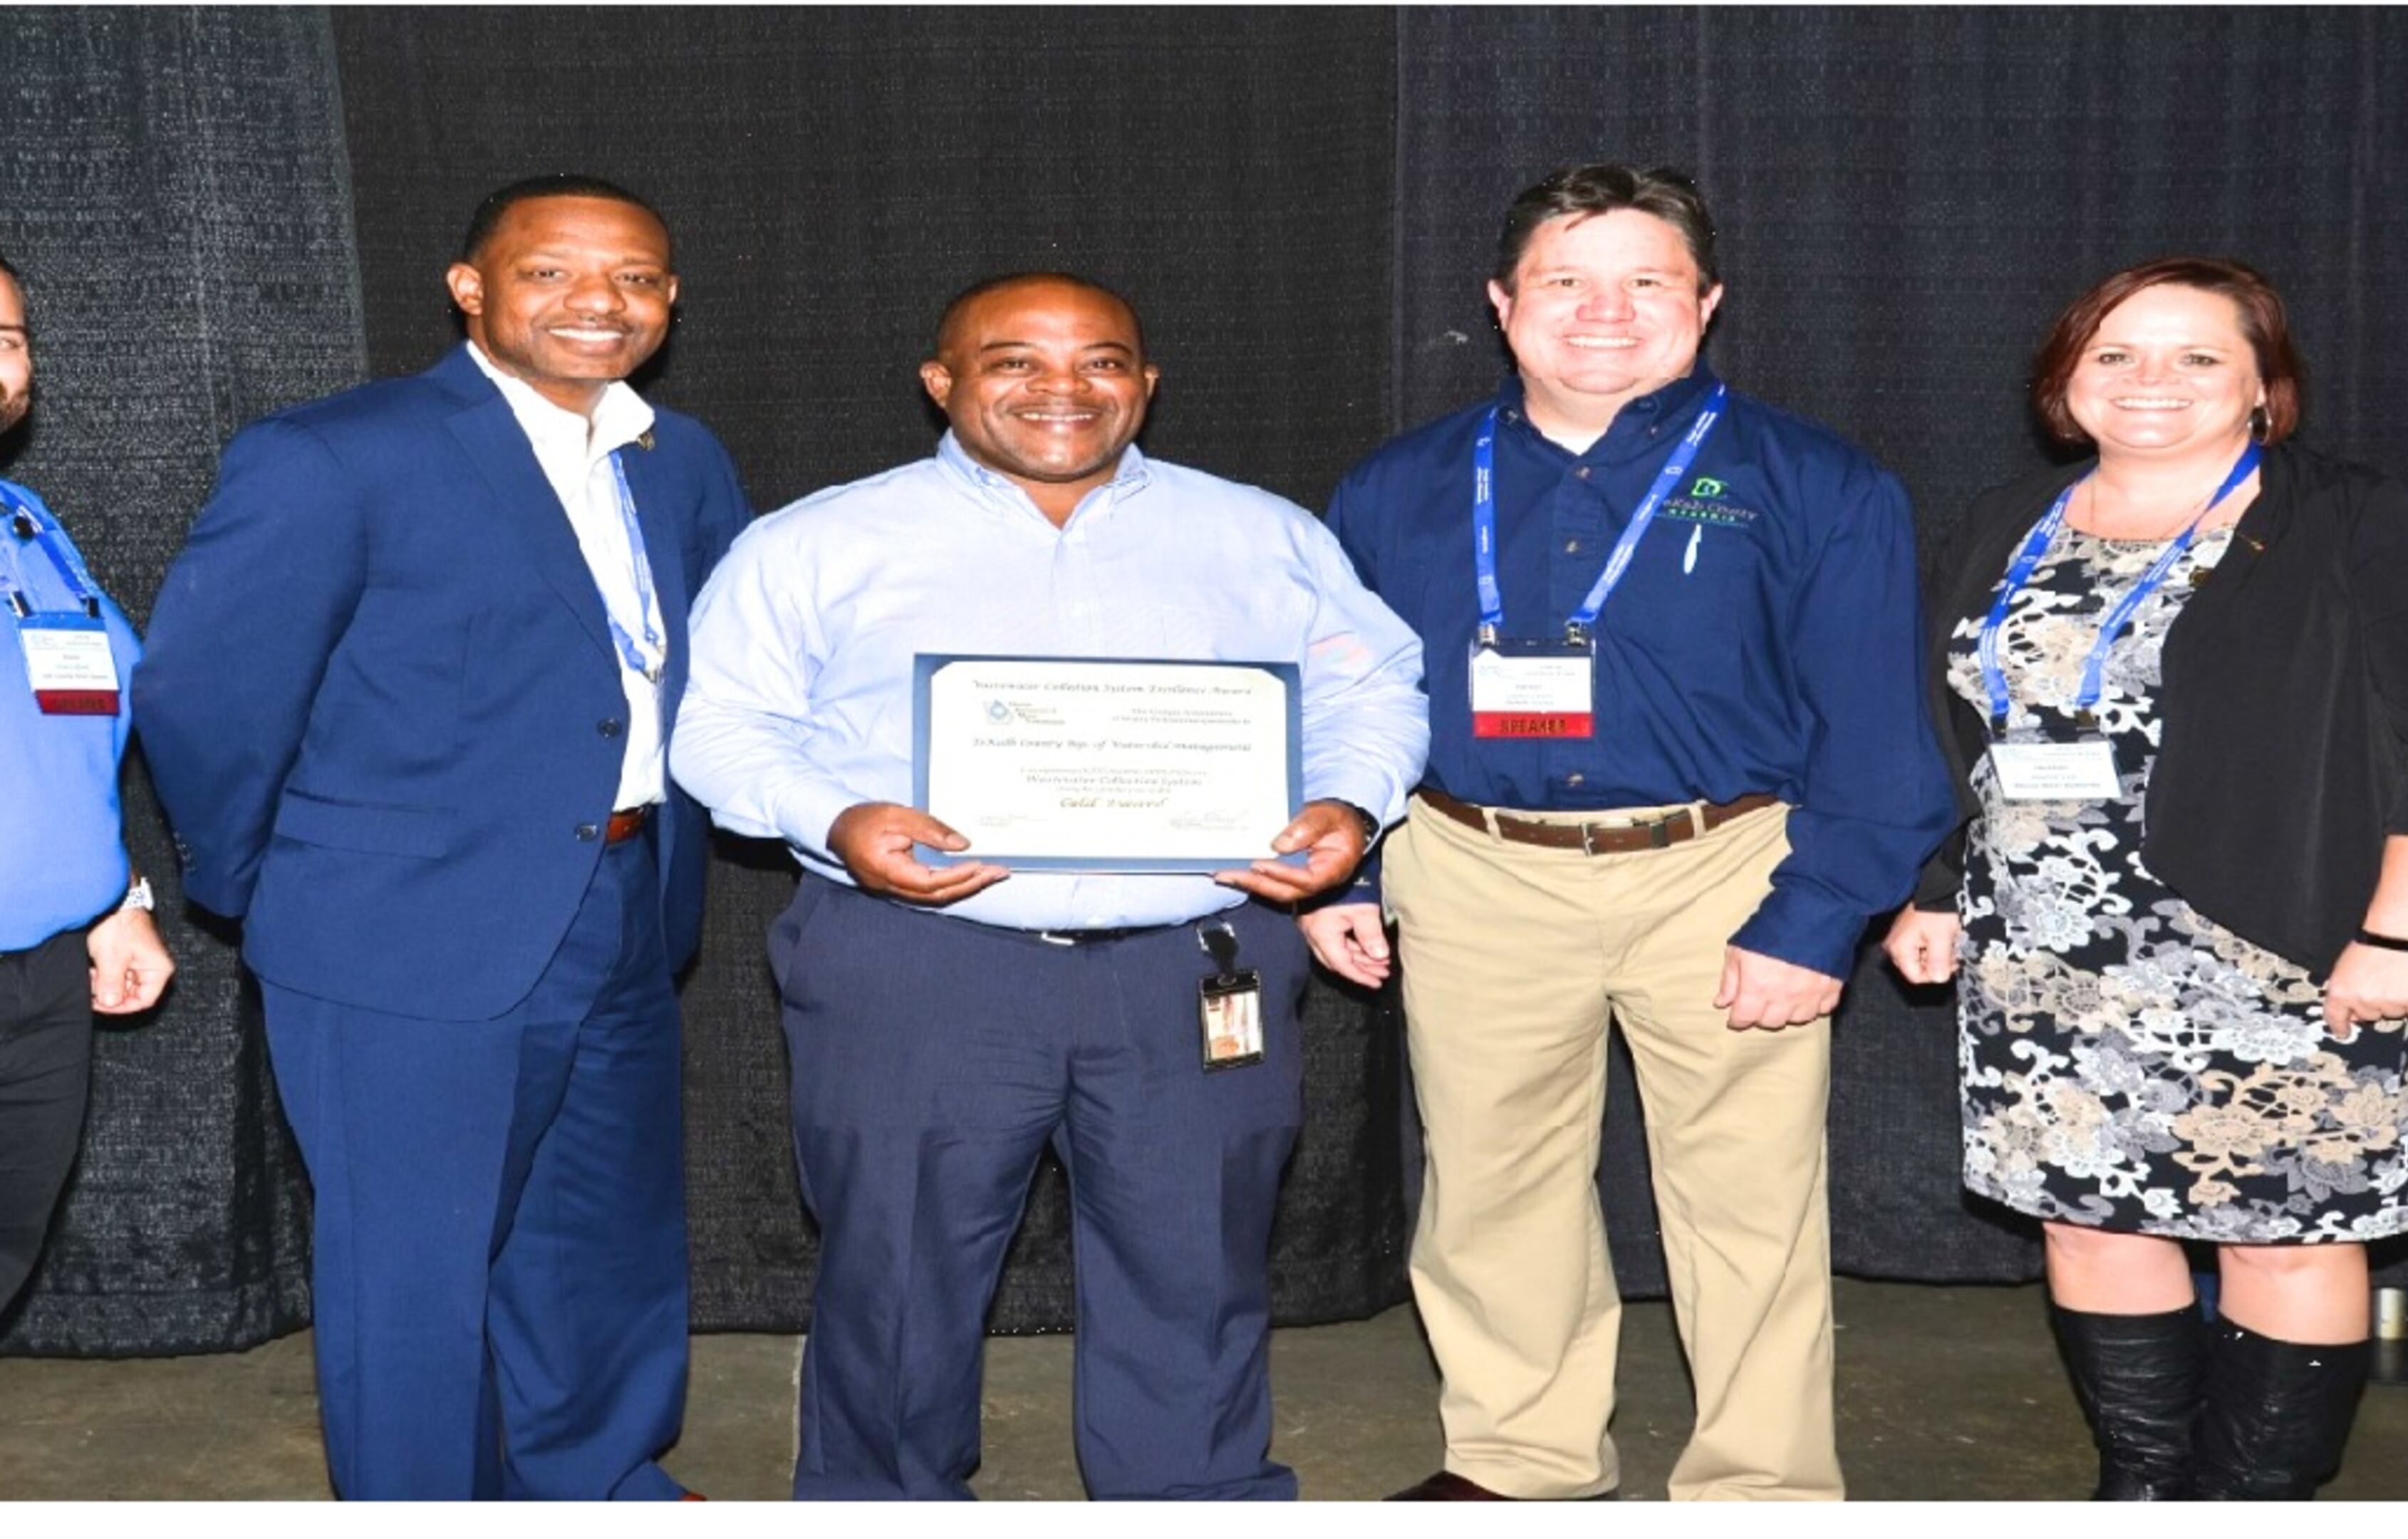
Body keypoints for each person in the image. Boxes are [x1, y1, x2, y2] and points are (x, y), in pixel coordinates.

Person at [669, 271, 1427, 1501]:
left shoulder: (1261, 534)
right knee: (898, 1277)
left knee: (1198, 1269)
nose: (1062, 389)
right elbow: (721, 732)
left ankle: (1193, 1503)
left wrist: (1350, 800)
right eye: (1013, 361)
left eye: (1103, 361)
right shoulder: (816, 542)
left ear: (1146, 383)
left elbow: (1373, 688)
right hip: (919, 961)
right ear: (942, 381)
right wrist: (835, 817)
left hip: (1195, 962)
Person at [1304, 164, 1954, 1502]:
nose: (1606, 311)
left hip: (1722, 867)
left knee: (1748, 1203)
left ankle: (1761, 1485)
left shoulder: (1815, 479)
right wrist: (1344, 866)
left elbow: (1880, 734)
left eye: (1648, 280)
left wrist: (1818, 915)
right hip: (1471, 865)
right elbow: (1338, 702)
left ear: (1705, 303)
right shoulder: (1397, 487)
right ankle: (1520, 1458)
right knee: (1490, 1184)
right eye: (1565, 281)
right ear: (1501, 304)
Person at [132, 176, 753, 1499]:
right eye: (553, 272)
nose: (600, 301)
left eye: (636, 277)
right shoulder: (336, 452)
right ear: (470, 287)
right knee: (415, 1266)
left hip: (628, 894)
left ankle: (595, 1480)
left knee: (601, 1235)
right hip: (395, 930)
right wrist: (270, 885)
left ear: (671, 299)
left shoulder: (679, 457)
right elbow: (205, 692)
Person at [1882, 256, 2408, 1500]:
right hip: (2047, 957)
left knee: (2282, 1240)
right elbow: (1977, 731)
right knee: (2089, 1219)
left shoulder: (2358, 517)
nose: (2150, 383)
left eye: (2197, 357)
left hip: (2284, 947)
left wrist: (2405, 934)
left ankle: (2255, 1503)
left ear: (2264, 388)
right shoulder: (2014, 518)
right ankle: (2146, 1485)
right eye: (2115, 354)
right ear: (2066, 382)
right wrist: (1937, 883)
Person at [1, 251, 176, 1320]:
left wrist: (116, 901)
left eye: (8, 339)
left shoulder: (29, 527)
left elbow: (71, 729)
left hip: (42, 982)